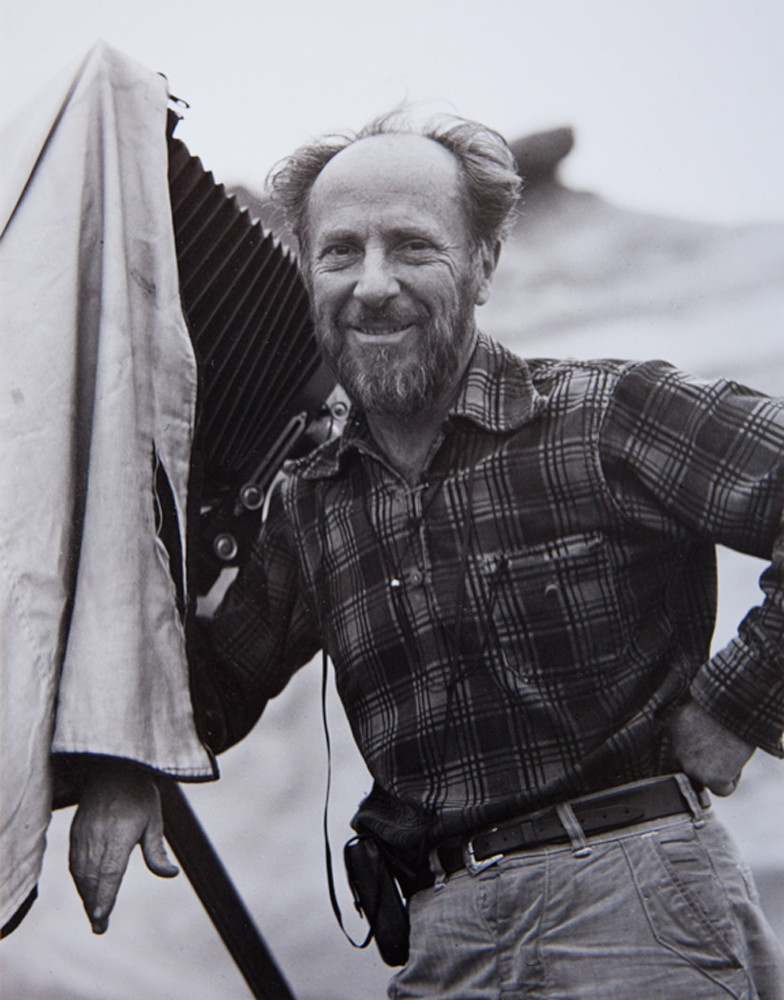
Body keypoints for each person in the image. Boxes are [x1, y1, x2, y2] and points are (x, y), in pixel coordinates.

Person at [69, 110, 784, 998]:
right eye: (339, 253)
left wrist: (739, 704)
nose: (372, 285)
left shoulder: (607, 414)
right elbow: (210, 694)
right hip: (440, 940)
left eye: (412, 246)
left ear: (483, 264)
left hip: (631, 903)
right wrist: (119, 759)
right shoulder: (310, 504)